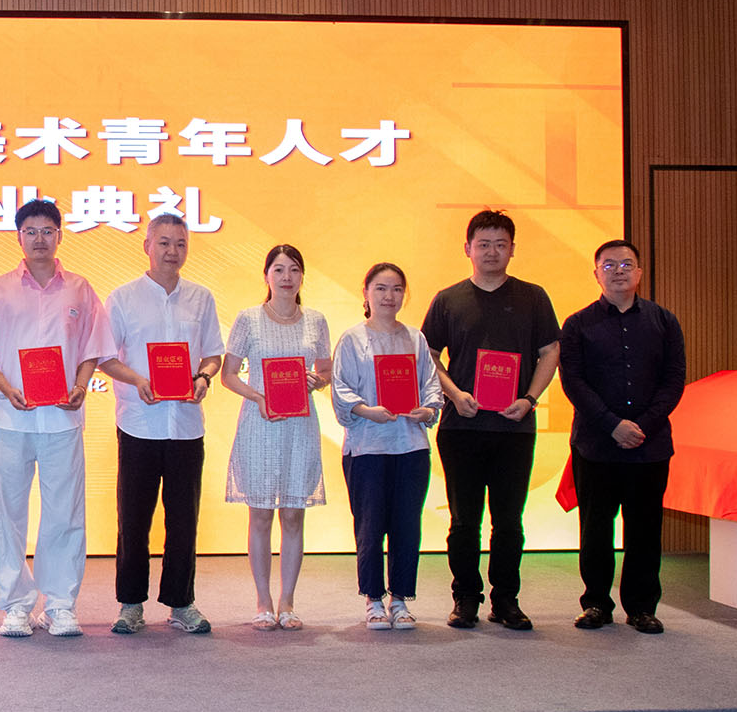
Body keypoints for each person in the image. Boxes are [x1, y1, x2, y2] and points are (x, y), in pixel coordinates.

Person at [0, 198, 111, 638]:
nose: (39, 239)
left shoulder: (80, 289)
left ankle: (60, 604)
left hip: (63, 420)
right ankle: (15, 605)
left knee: (65, 512)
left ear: (60, 236)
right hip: (12, 418)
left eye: (47, 231)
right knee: (8, 513)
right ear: (19, 237)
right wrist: (6, 387)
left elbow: (92, 347)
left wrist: (81, 386)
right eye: (31, 231)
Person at [420, 208, 561, 632]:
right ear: (468, 248)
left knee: (509, 521)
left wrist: (530, 399)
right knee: (464, 521)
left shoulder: (533, 297)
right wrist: (455, 393)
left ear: (513, 249)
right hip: (461, 427)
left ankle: (505, 599)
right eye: (484, 244)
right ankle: (465, 597)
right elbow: (428, 356)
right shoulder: (448, 299)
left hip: (514, 427)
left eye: (501, 244)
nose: (492, 252)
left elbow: (550, 352)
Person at [97, 213, 224, 635]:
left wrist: (203, 377)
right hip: (139, 424)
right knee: (133, 519)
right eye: (164, 242)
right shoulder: (123, 298)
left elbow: (213, 354)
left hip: (186, 425)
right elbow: (105, 358)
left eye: (181, 244)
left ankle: (181, 603)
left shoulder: (201, 298)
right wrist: (138, 380)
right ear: (147, 246)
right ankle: (131, 604)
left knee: (184, 519)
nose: (173, 251)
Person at [558, 240, 686, 635]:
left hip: (650, 445)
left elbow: (674, 380)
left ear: (640, 273)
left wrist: (642, 425)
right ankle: (596, 603)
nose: (618, 271)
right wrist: (612, 424)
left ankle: (642, 607)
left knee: (644, 529)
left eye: (626, 264)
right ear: (596, 274)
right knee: (595, 528)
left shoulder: (664, 322)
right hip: (596, 444)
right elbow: (574, 382)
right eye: (609, 265)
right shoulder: (577, 324)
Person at [220, 244, 332, 630]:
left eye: (294, 270)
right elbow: (228, 375)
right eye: (279, 269)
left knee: (294, 514)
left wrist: (318, 380)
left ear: (302, 277)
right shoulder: (248, 319)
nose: (287, 277)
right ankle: (263, 601)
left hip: (300, 426)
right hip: (260, 423)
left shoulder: (316, 320)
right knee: (261, 514)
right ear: (266, 275)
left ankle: (288, 602)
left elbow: (326, 369)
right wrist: (259, 397)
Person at [331, 263, 445, 630]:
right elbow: (340, 388)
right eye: (380, 288)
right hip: (367, 447)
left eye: (396, 289)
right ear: (366, 293)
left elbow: (430, 384)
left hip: (410, 446)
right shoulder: (352, 339)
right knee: (370, 526)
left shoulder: (415, 338)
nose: (389, 296)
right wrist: (366, 410)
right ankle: (373, 598)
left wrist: (428, 409)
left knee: (407, 525)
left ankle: (400, 598)